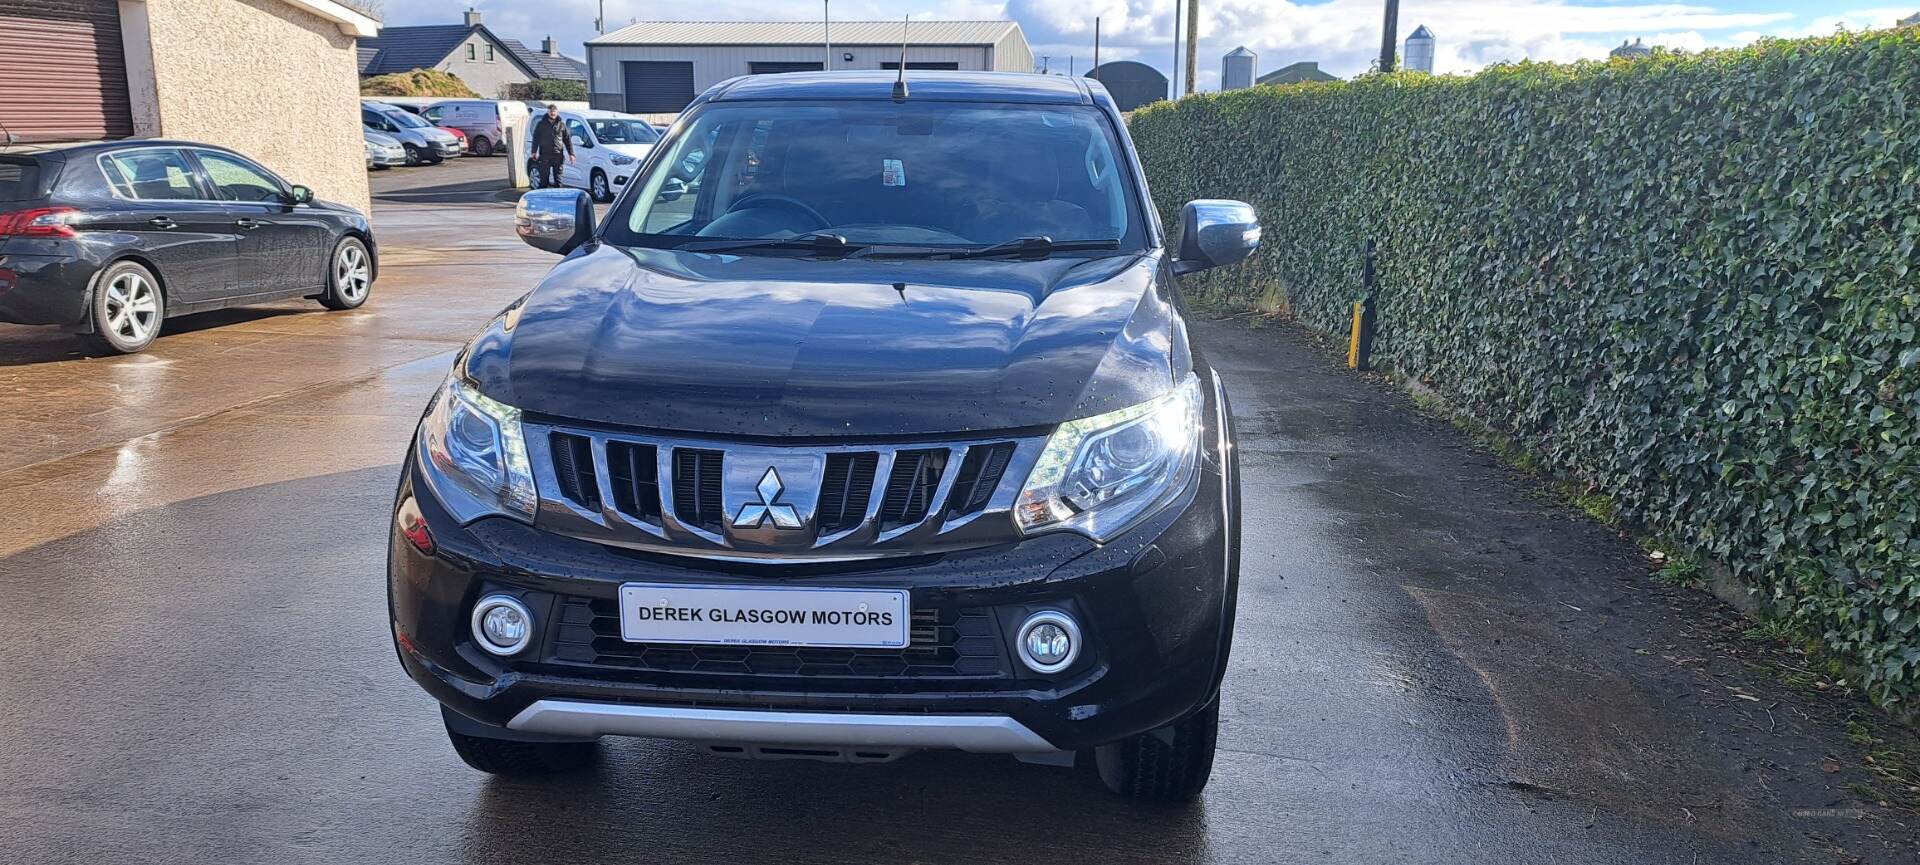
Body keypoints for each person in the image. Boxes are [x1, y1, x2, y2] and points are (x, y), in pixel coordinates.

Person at [529, 104, 574, 189]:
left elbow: (567, 140)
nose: (552, 113)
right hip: (545, 155)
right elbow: (536, 139)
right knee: (544, 179)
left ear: (557, 112)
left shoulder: (562, 125)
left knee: (558, 179)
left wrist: (571, 154)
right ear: (548, 112)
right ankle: (544, 198)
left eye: (554, 112)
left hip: (558, 155)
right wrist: (533, 152)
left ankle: (559, 198)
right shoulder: (541, 124)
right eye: (551, 112)